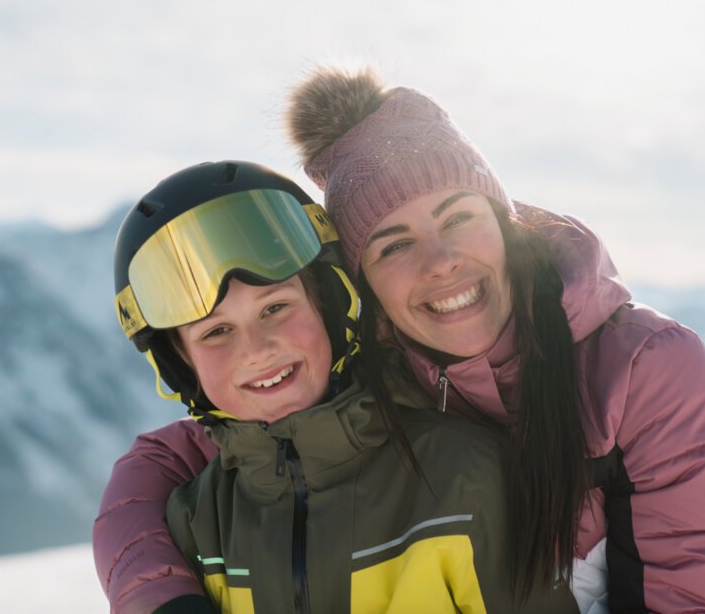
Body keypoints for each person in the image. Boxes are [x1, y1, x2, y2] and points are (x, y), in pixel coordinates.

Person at [95, 69, 705, 614]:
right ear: (361, 289)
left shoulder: (641, 372)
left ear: (505, 222)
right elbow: (167, 468)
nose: (441, 263)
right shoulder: (372, 363)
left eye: (457, 218)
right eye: (395, 243)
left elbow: (692, 592)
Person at [104, 159, 578, 614]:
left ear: (329, 308)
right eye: (216, 333)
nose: (257, 349)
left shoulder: (462, 480)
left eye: (276, 309)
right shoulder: (195, 525)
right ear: (182, 366)